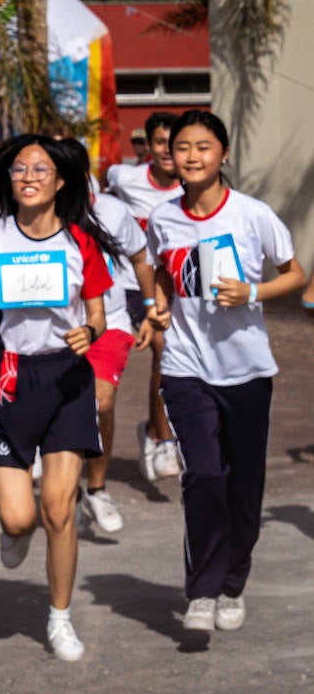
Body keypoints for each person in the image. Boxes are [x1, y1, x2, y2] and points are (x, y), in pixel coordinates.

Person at [0, 134, 120, 661]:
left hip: (68, 379)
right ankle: (13, 529)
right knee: (19, 518)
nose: (28, 177)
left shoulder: (81, 240)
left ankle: (60, 618)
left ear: (61, 180)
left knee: (58, 509)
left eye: (40, 169)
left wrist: (90, 332)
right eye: (20, 169)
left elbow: (98, 312)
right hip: (9, 378)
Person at [146, 111, 306, 632]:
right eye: (182, 147)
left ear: (223, 154)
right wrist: (158, 308)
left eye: (203, 147)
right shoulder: (163, 218)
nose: (191, 156)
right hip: (185, 366)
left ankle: (233, 583)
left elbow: (296, 275)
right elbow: (163, 273)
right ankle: (202, 590)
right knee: (204, 475)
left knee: (243, 486)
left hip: (246, 370)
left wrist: (252, 291)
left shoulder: (252, 215)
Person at [56, 139, 159, 535]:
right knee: (59, 406)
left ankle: (97, 489)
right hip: (55, 328)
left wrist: (149, 308)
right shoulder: (31, 215)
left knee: (100, 401)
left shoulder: (112, 211)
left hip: (110, 321)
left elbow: (140, 257)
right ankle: (66, 489)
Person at [106, 111, 183, 480]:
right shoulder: (125, 177)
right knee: (152, 350)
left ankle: (157, 434)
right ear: (148, 146)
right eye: (159, 143)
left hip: (170, 286)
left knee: (166, 352)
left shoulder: (191, 187)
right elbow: (102, 193)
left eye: (174, 143)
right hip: (128, 285)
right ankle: (160, 437)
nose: (167, 151)